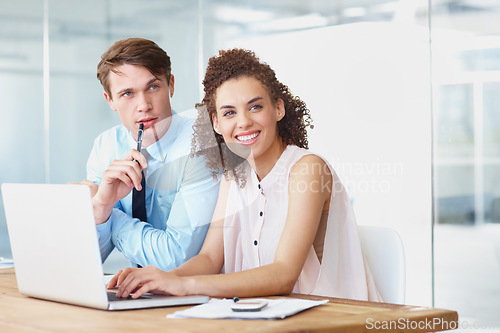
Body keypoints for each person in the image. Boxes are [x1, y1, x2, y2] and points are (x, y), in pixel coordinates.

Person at [108, 48, 381, 301]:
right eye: (229, 113)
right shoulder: (234, 175)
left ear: (278, 108)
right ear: (216, 123)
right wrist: (158, 278)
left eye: (255, 107)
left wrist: (184, 286)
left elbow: (284, 274)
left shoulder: (307, 169)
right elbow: (209, 259)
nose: (243, 122)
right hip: (266, 318)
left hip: (333, 319)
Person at [86, 38, 219, 270]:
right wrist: (101, 208)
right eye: (127, 94)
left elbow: (178, 259)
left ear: (171, 85)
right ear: (110, 101)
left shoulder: (202, 143)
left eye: (153, 87)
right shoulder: (106, 146)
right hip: (140, 294)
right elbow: (89, 260)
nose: (144, 105)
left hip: (202, 295)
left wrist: (103, 207)